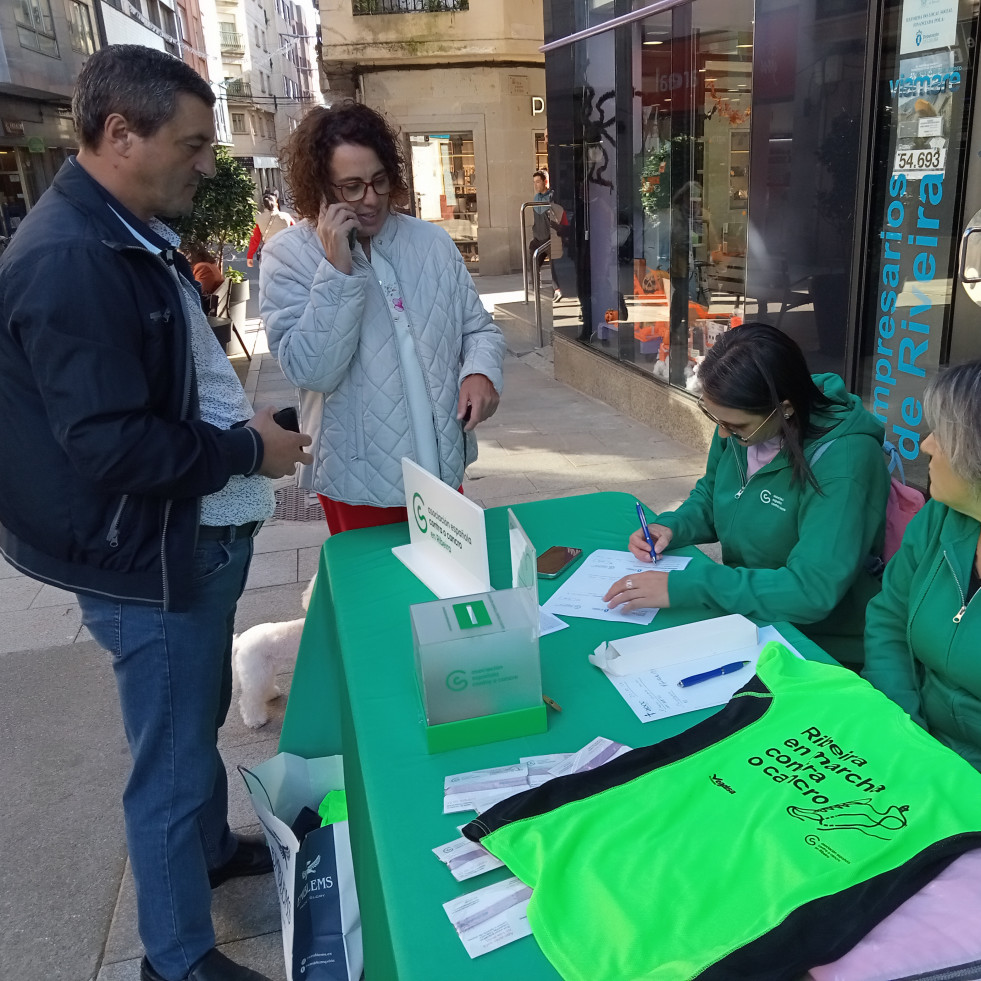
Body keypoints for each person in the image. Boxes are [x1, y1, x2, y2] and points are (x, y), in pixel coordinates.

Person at [0, 45, 312, 981]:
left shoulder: (113, 229)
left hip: (175, 543)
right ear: (118, 133)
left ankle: (209, 853)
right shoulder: (71, 258)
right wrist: (245, 448)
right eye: (191, 144)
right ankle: (174, 958)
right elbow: (112, 447)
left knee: (192, 715)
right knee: (170, 761)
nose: (207, 164)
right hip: (146, 555)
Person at [259, 102, 505, 533]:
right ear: (322, 187)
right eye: (351, 187)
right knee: (377, 596)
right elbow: (310, 371)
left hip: (444, 464)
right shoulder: (289, 255)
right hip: (358, 478)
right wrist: (337, 271)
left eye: (378, 181)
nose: (370, 199)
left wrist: (481, 373)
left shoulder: (429, 241)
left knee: (450, 589)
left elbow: (477, 328)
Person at [603, 323, 889, 666]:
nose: (723, 434)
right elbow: (713, 495)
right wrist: (674, 525)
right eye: (716, 419)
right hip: (749, 614)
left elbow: (811, 590)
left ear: (784, 409)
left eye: (736, 426)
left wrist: (692, 585)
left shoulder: (843, 461)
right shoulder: (740, 428)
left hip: (817, 642)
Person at [863, 361, 981, 770]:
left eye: (944, 436)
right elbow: (889, 618)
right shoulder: (942, 514)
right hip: (913, 747)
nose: (927, 445)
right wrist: (902, 731)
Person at [245, 187, 294, 267]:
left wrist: (250, 256)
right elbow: (295, 233)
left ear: (264, 205)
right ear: (276, 204)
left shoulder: (258, 219)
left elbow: (255, 240)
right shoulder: (286, 217)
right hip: (286, 250)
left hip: (268, 251)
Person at [528, 169, 553, 286]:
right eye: (534, 182)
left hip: (550, 239)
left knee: (556, 268)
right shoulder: (536, 198)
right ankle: (536, 289)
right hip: (538, 238)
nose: (535, 185)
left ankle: (558, 290)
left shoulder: (552, 197)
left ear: (545, 181)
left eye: (538, 182)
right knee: (533, 264)